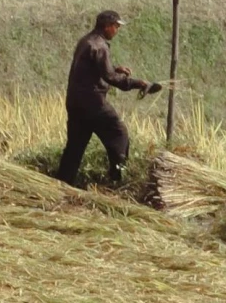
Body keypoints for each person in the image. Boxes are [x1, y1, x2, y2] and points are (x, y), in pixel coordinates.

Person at [55, 10, 161, 187]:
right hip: (93, 103)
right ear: (107, 26)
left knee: (75, 147)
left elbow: (97, 70)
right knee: (119, 134)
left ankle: (62, 184)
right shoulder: (100, 46)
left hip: (75, 102)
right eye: (116, 26)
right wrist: (138, 83)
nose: (117, 30)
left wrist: (115, 69)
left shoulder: (86, 41)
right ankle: (117, 178)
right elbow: (110, 78)